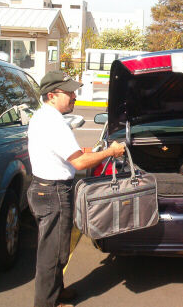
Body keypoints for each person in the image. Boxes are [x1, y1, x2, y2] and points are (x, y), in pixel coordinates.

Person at [27, 70, 125, 307]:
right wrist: (111, 152)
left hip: (44, 190)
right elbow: (79, 163)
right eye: (69, 92)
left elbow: (71, 154)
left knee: (56, 246)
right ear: (52, 95)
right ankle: (47, 303)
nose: (74, 96)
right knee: (53, 253)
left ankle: (56, 291)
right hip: (53, 193)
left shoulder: (44, 118)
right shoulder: (53, 123)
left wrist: (93, 150)